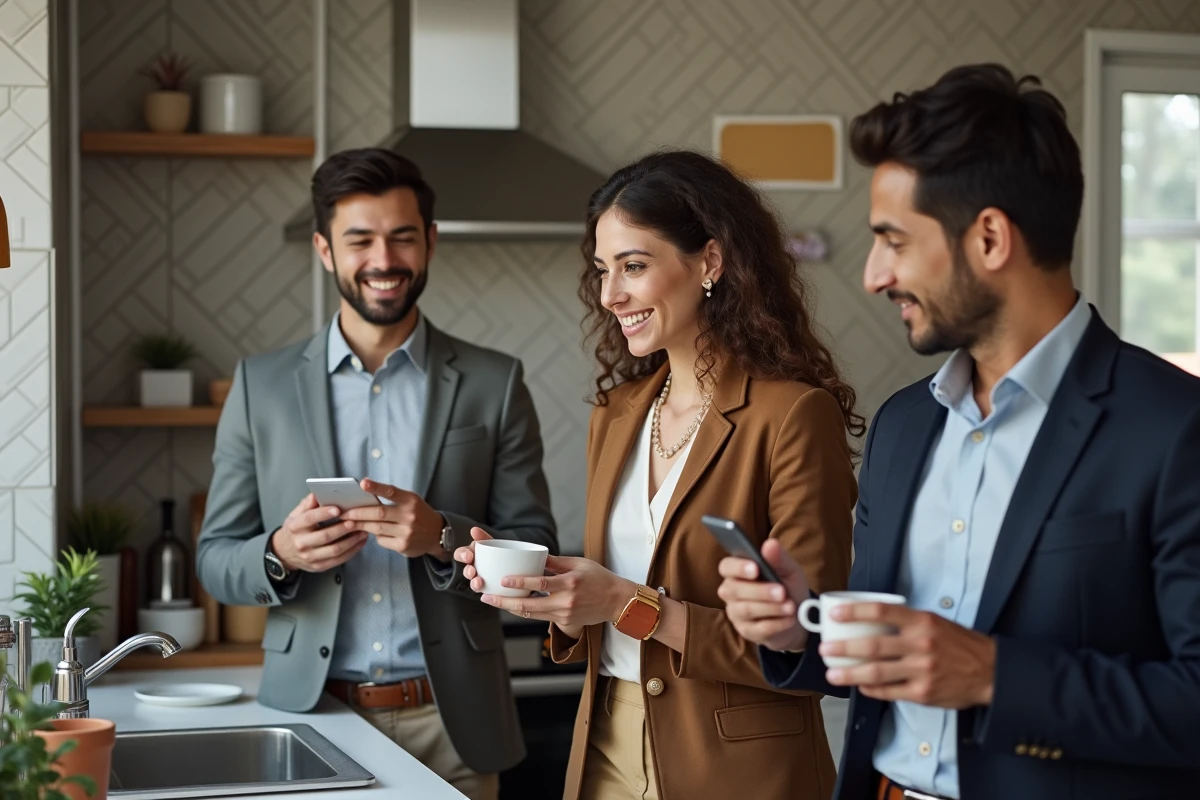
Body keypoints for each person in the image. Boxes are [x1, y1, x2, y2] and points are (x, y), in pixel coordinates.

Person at [719, 63, 1200, 800]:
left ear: (990, 238)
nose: (875, 275)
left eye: (894, 241)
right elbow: (896, 657)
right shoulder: (902, 426)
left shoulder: (1175, 429)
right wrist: (799, 631)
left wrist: (992, 675)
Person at [454, 150, 861, 799]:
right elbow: (604, 611)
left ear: (709, 262)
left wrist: (625, 604)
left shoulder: (792, 417)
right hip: (608, 750)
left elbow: (812, 647)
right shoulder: (615, 415)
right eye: (603, 270)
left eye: (634, 266)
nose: (611, 294)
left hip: (737, 774)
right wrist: (555, 598)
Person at [195, 147, 558, 800]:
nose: (383, 260)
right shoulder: (262, 385)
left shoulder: (494, 382)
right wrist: (279, 553)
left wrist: (442, 536)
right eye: (360, 239)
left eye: (401, 238)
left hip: (452, 727)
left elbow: (537, 546)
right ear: (324, 250)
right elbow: (216, 560)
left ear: (430, 243)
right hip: (310, 720)